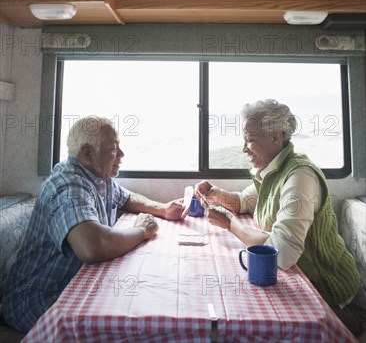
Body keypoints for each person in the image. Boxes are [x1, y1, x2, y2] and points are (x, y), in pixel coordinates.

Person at [195, 99, 366, 337]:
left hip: (334, 300)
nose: (244, 148)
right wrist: (214, 193)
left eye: (250, 140)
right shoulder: (273, 171)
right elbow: (245, 202)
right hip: (303, 282)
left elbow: (282, 253)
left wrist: (230, 225)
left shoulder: (299, 176)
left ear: (276, 137)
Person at [3, 116, 187, 333]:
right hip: (37, 296)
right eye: (114, 149)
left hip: (73, 284)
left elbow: (128, 199)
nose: (121, 155)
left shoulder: (100, 177)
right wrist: (141, 231)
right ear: (88, 153)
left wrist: (163, 209)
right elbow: (93, 247)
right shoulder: (68, 186)